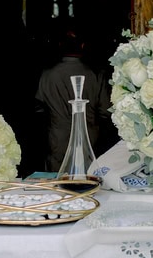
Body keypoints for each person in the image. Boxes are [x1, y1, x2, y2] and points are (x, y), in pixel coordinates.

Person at [35, 28, 114, 172]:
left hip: (57, 138)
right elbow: (106, 111)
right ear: (82, 46)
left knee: (58, 179)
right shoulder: (95, 74)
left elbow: (39, 108)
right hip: (90, 137)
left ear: (60, 45)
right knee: (89, 176)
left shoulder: (48, 75)